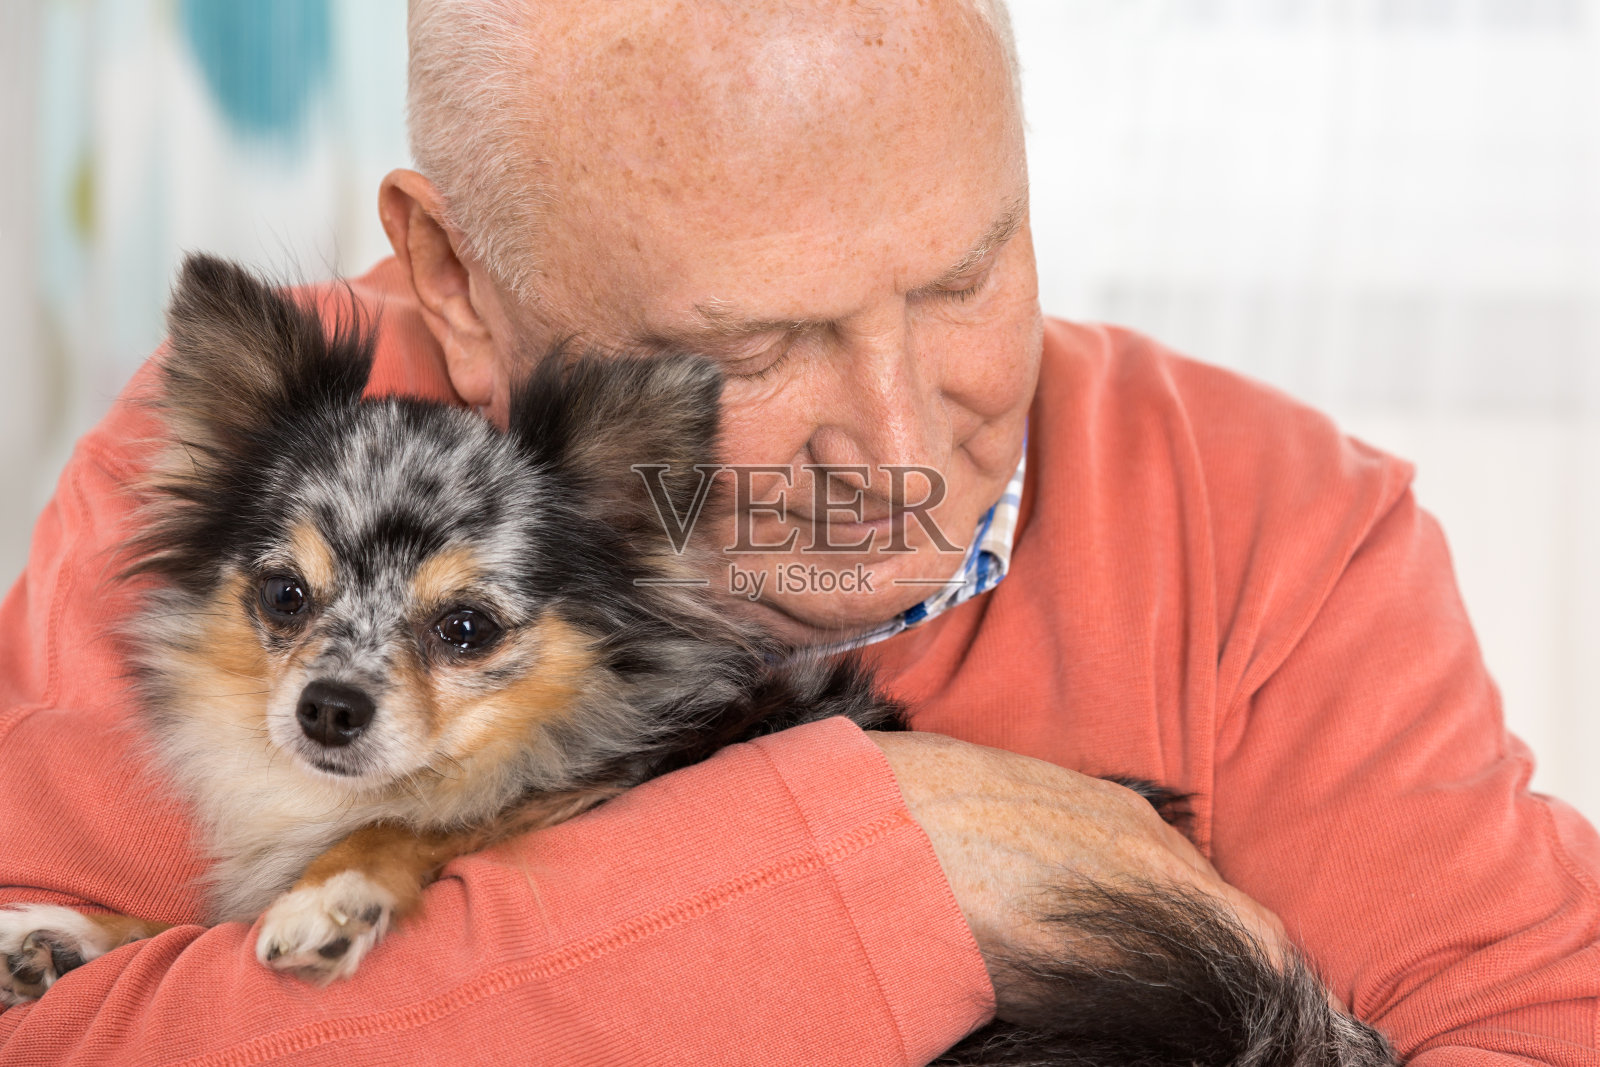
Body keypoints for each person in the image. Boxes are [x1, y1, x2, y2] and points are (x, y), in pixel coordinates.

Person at [0, 0, 1594, 1062]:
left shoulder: (1282, 524)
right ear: (458, 283)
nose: (900, 443)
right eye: (753, 349)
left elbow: (1533, 1021)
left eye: (966, 275)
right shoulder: (256, 486)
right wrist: (886, 854)